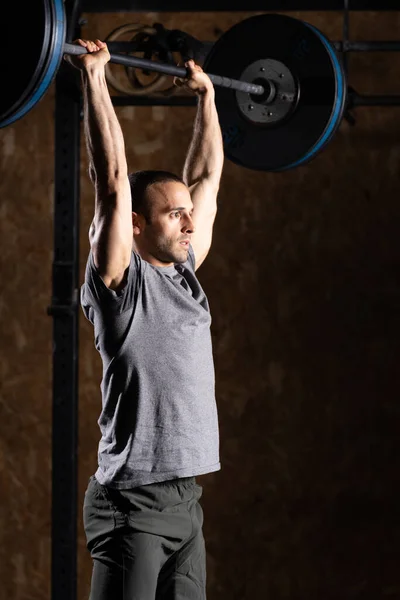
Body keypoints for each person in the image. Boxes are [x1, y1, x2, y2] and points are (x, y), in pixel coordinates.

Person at [65, 37, 224, 600]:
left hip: (185, 499)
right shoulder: (120, 284)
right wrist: (95, 79)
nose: (188, 222)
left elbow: (207, 179)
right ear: (135, 224)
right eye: (173, 213)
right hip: (131, 500)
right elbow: (110, 183)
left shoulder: (184, 273)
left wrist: (206, 100)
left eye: (187, 214)